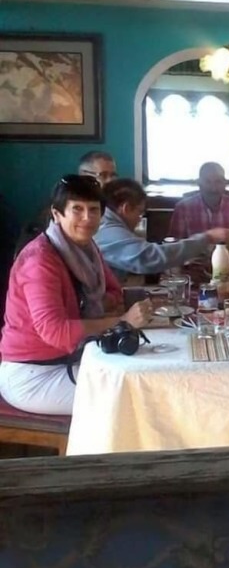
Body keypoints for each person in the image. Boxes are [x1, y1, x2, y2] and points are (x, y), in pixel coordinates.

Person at [0, 175, 152, 415]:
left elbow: (113, 292)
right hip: (33, 374)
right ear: (57, 214)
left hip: (73, 356)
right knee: (128, 398)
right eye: (77, 209)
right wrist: (122, 321)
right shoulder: (40, 260)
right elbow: (56, 332)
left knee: (144, 375)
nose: (87, 218)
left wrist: (91, 308)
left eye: (94, 210)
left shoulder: (86, 247)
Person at [95, 178, 229, 281]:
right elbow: (150, 258)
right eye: (139, 213)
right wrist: (207, 237)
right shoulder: (107, 230)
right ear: (126, 208)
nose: (139, 219)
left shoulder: (107, 223)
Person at [169, 162, 229, 248]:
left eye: (218, 182)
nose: (213, 188)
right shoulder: (183, 209)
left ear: (225, 183)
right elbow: (175, 248)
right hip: (194, 256)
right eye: (207, 182)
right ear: (199, 183)